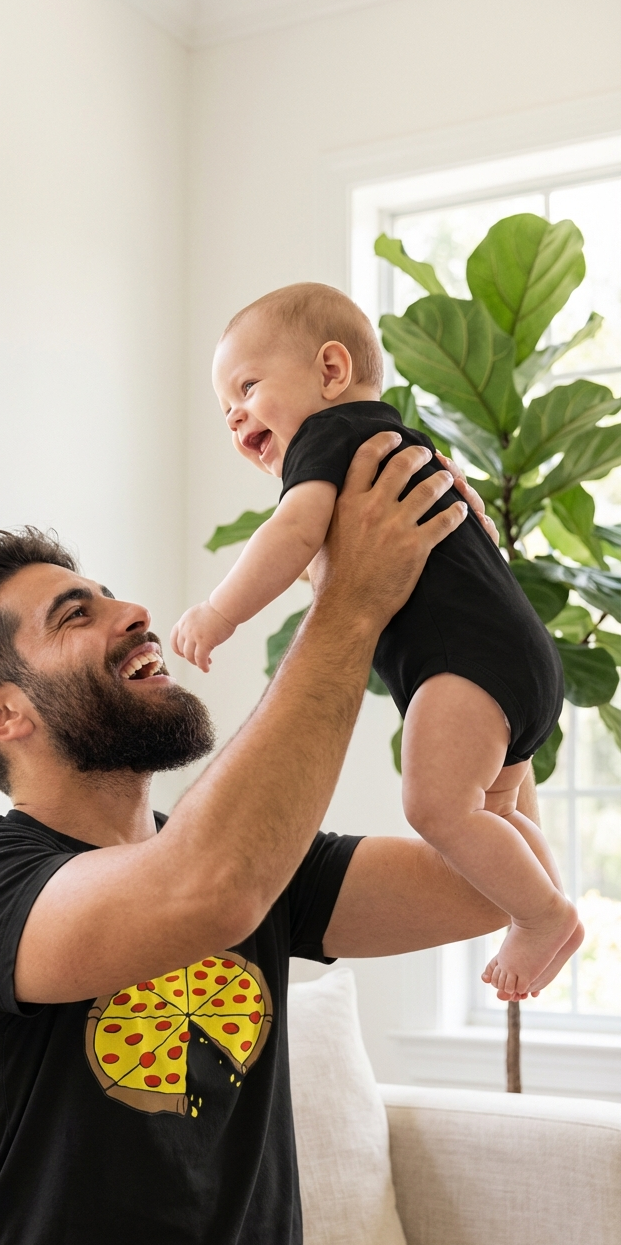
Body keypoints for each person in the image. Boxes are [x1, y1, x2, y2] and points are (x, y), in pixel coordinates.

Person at [0, 439, 615, 1245]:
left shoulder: (260, 863)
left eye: (110, 592)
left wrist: (479, 636)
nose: (134, 612)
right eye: (78, 614)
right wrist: (349, 599)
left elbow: (494, 887)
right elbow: (208, 889)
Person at [171, 283, 582, 1003]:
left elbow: (290, 534)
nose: (234, 414)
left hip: (463, 666)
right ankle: (542, 904)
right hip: (523, 659)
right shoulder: (400, 441)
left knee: (434, 808)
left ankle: (545, 913)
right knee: (495, 815)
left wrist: (218, 611)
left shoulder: (327, 438)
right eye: (223, 407)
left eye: (247, 386)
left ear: (331, 371)